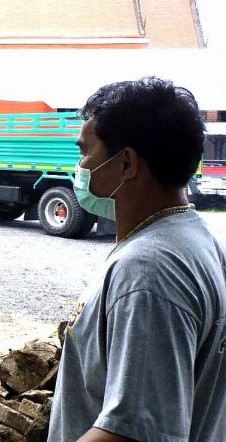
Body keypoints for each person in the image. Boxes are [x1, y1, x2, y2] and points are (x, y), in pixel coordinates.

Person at [49, 77, 226, 441]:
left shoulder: (148, 272)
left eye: (85, 152)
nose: (81, 166)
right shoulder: (197, 242)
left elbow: (132, 433)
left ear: (127, 163)